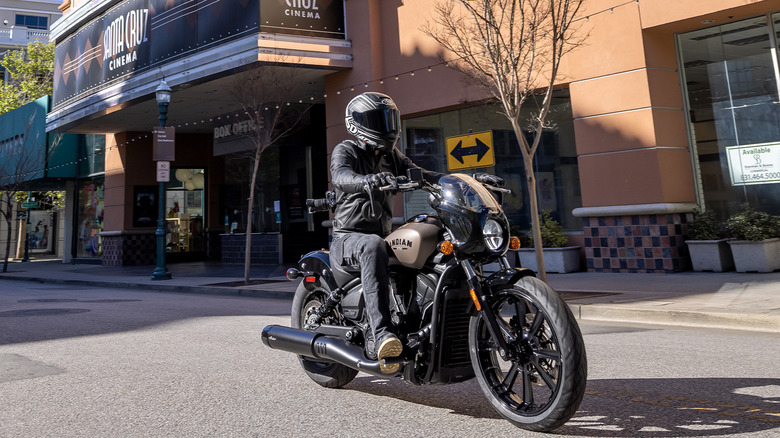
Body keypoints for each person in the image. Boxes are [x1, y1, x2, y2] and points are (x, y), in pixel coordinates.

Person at [329, 92, 444, 374]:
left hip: (379, 239)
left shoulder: (392, 156)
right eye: (377, 119)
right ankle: (382, 334)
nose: (386, 125)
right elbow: (341, 176)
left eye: (388, 119)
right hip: (348, 239)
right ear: (357, 123)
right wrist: (367, 180)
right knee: (373, 245)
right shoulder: (347, 150)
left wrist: (468, 179)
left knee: (428, 233)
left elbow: (422, 174)